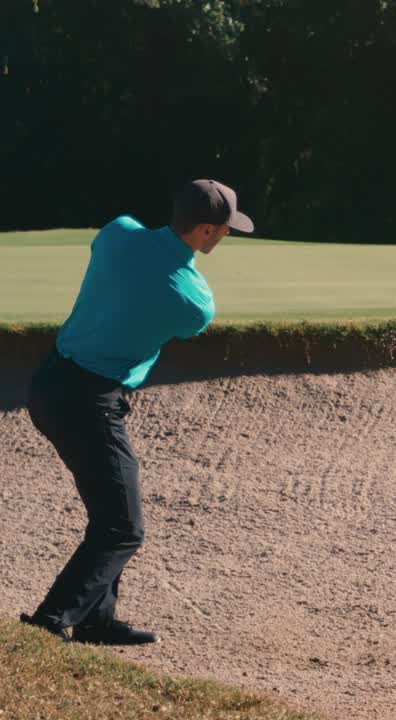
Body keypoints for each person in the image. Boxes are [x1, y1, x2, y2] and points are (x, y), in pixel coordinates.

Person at [19, 179, 253, 645]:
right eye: (225, 229)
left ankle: (95, 622)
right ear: (205, 231)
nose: (226, 237)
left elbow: (132, 250)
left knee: (110, 514)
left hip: (49, 384)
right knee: (122, 528)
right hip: (89, 402)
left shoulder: (116, 232)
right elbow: (181, 310)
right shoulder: (194, 301)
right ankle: (49, 624)